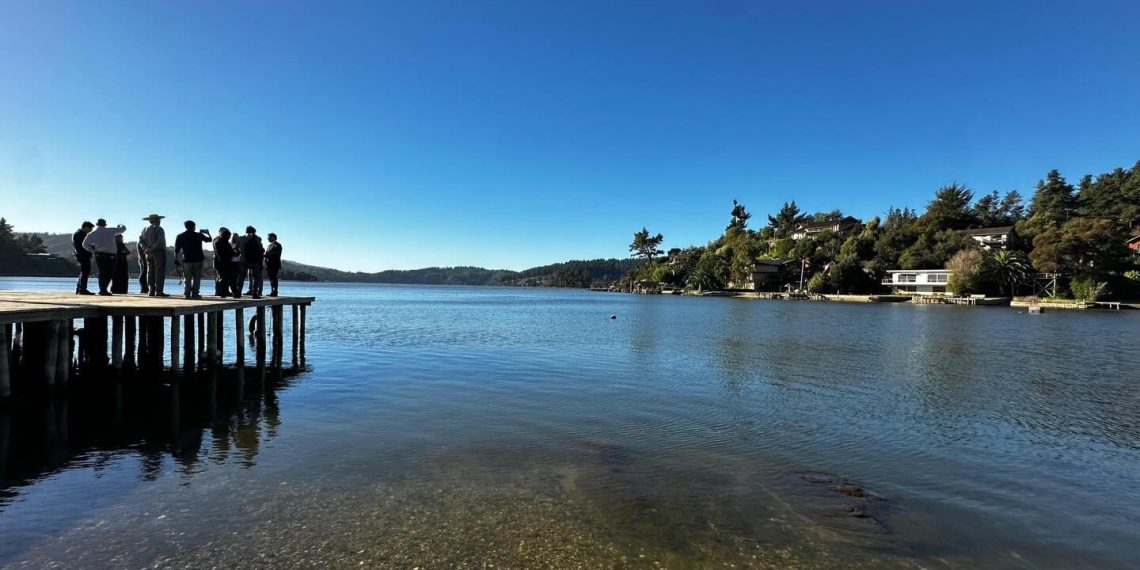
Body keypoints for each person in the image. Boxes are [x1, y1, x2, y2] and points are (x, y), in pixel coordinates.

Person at [82, 218, 127, 295]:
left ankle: (102, 289)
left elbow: (84, 244)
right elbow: (123, 229)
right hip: (111, 255)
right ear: (105, 224)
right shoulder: (111, 230)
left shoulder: (92, 233)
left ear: (97, 224)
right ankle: (103, 289)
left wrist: (92, 250)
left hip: (99, 255)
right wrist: (121, 225)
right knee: (109, 272)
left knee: (102, 272)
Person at [174, 220, 211, 299]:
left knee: (187, 278)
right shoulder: (198, 235)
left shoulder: (180, 236)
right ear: (193, 227)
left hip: (186, 259)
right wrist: (207, 233)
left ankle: (187, 294)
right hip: (198, 259)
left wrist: (175, 259)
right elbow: (209, 240)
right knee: (197, 278)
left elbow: (176, 249)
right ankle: (195, 294)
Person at [138, 214, 169, 297]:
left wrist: (146, 248)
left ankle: (151, 290)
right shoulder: (159, 229)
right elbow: (160, 241)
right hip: (158, 252)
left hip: (148, 253)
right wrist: (151, 249)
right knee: (159, 271)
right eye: (159, 220)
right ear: (157, 220)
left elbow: (140, 241)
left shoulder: (144, 229)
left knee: (150, 271)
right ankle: (159, 291)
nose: (160, 221)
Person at [212, 227, 239, 298]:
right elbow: (229, 253)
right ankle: (230, 293)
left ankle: (222, 293)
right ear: (225, 235)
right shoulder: (223, 242)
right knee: (229, 278)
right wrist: (237, 252)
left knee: (223, 278)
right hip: (224, 263)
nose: (229, 238)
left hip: (219, 262)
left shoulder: (216, 240)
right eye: (229, 236)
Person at [242, 226, 265, 299]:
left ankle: (254, 291)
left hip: (249, 260)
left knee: (249, 277)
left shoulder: (245, 239)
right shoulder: (257, 239)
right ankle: (254, 292)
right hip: (255, 261)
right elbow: (261, 250)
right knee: (255, 277)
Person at [72, 221, 95, 295]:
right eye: (90, 228)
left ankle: (79, 289)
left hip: (81, 254)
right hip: (83, 255)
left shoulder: (78, 233)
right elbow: (84, 245)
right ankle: (82, 289)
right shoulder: (81, 234)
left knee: (84, 271)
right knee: (85, 272)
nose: (91, 230)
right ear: (86, 227)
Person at [264, 232, 283, 297]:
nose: (267, 239)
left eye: (268, 237)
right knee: (271, 279)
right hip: (268, 265)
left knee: (274, 278)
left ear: (273, 237)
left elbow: (276, 254)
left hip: (274, 265)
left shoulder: (278, 245)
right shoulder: (269, 246)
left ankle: (275, 292)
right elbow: (267, 254)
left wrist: (266, 255)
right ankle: (272, 291)